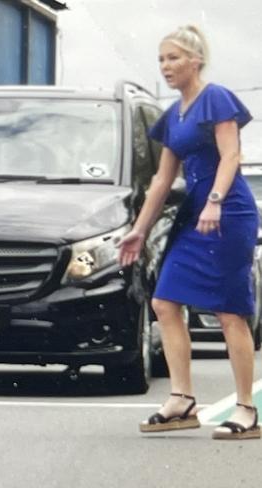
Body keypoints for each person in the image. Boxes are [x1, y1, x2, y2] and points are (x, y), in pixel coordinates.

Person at [118, 25, 260, 440]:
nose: (165, 66)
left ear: (195, 61)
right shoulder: (173, 115)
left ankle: (247, 409)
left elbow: (232, 153)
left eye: (173, 58)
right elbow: (162, 181)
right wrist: (139, 231)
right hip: (194, 216)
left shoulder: (215, 98)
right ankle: (182, 399)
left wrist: (215, 200)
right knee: (164, 302)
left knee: (229, 311)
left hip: (228, 213)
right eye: (162, 59)